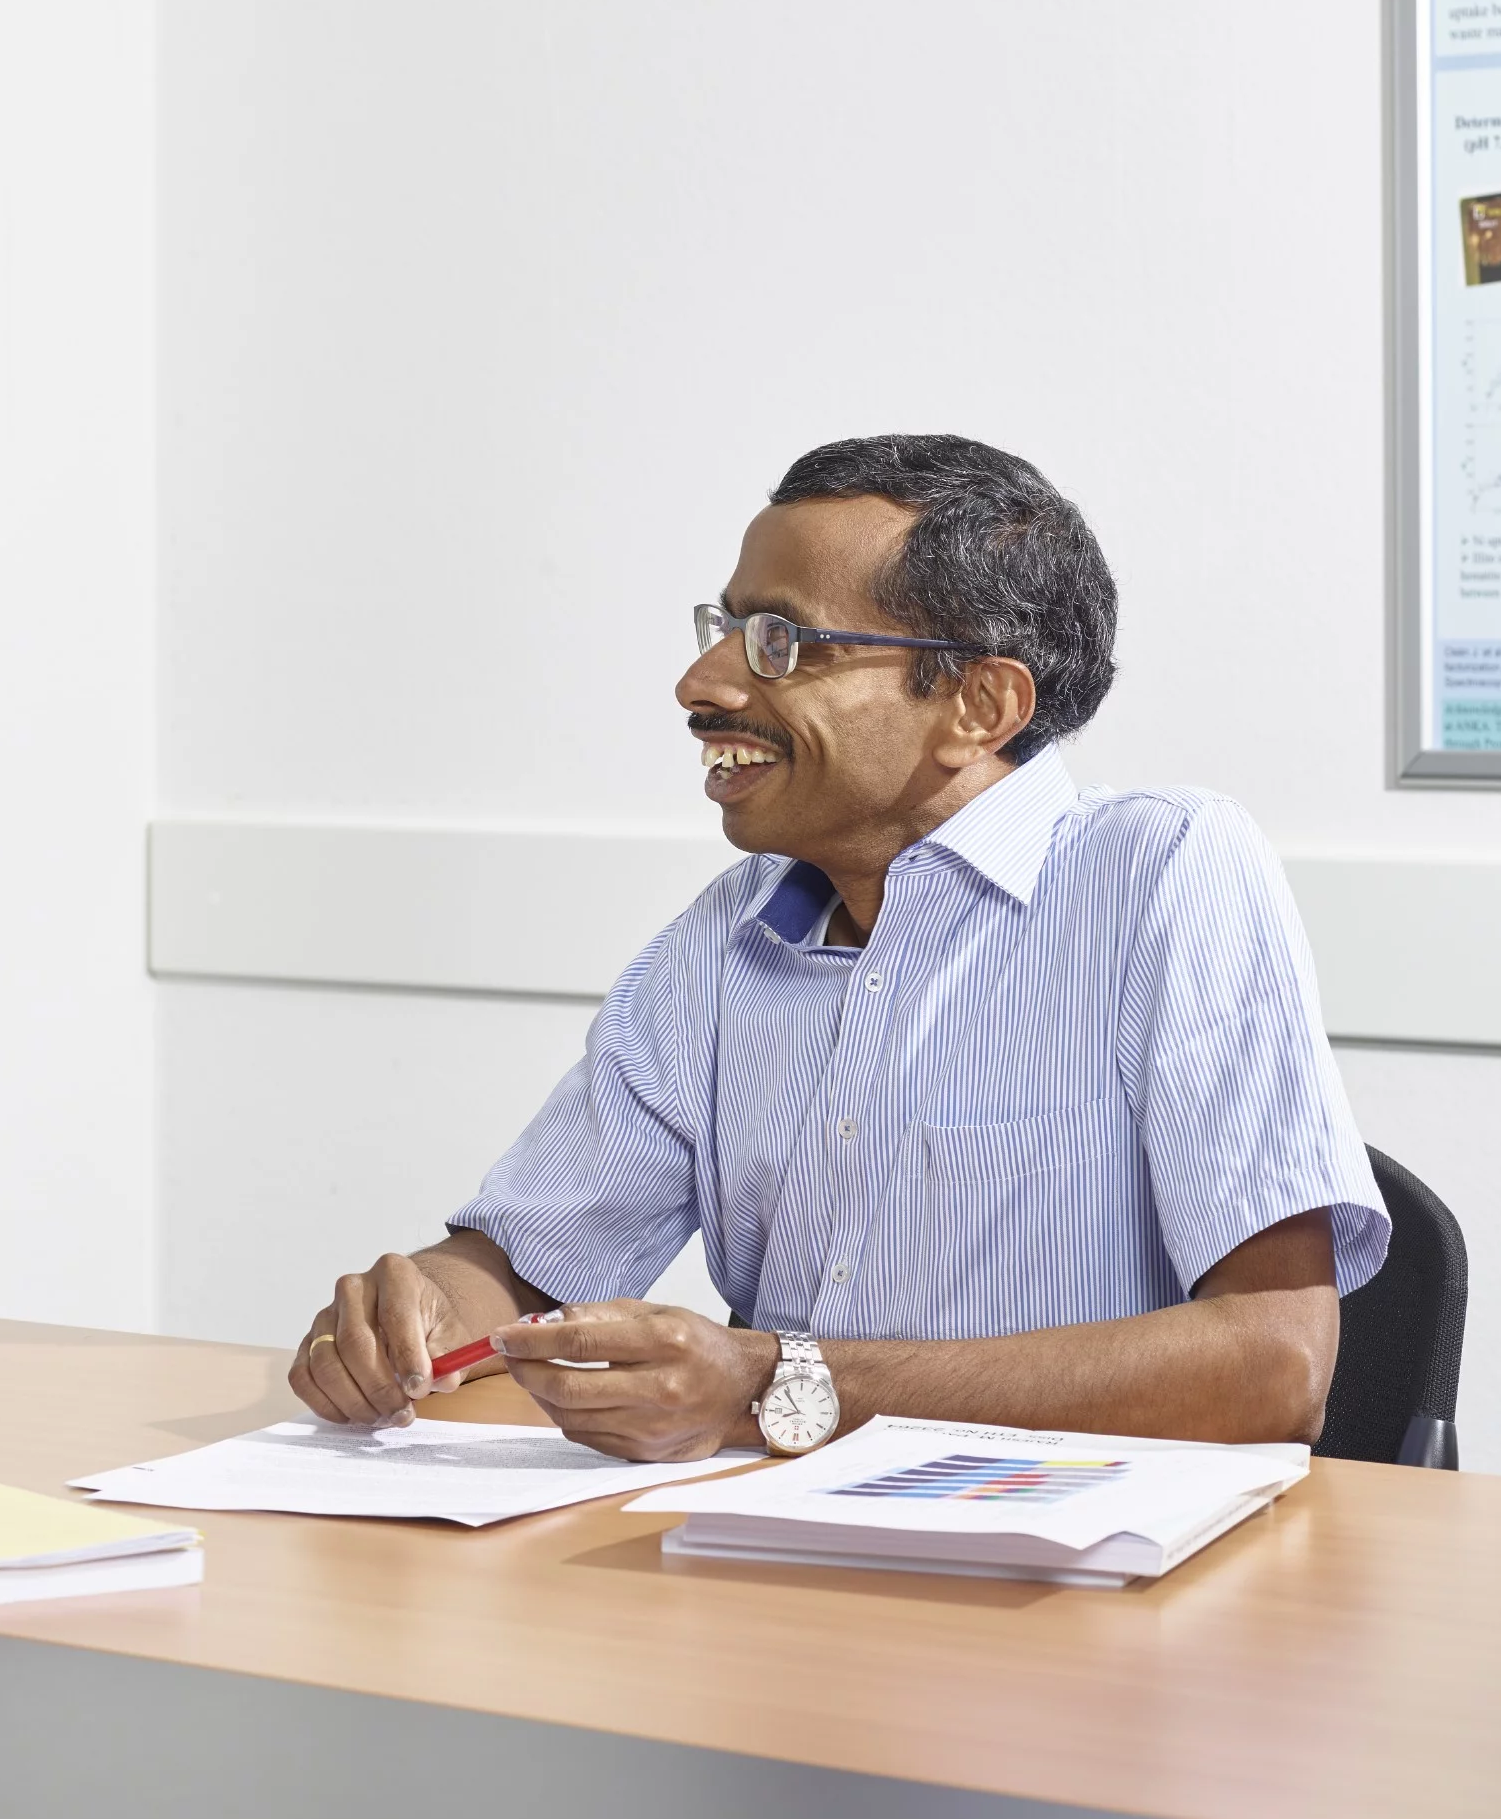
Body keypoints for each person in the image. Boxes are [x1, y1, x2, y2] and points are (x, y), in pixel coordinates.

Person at [291, 435, 1385, 1463]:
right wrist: (417, 1311)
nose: (704, 684)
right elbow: (523, 1266)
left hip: (1075, 1578)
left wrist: (774, 1382)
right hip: (775, 1549)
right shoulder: (726, 938)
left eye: (781, 642)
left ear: (980, 702)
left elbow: (1272, 1368)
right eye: (718, 629)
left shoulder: (1162, 872)